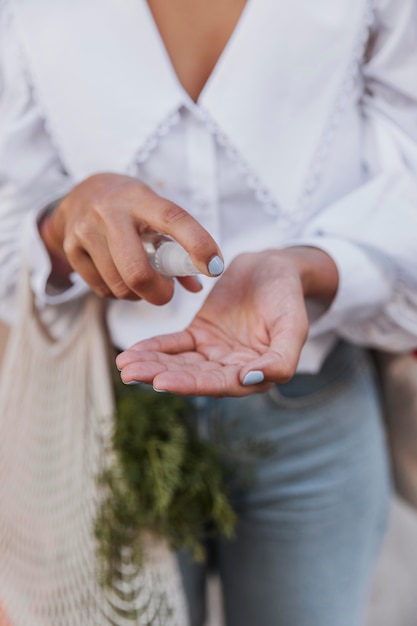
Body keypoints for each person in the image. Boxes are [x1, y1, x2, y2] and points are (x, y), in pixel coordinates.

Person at [1, 1, 417, 625]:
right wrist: (69, 218)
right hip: (109, 420)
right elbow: (13, 231)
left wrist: (303, 267)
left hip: (313, 406)